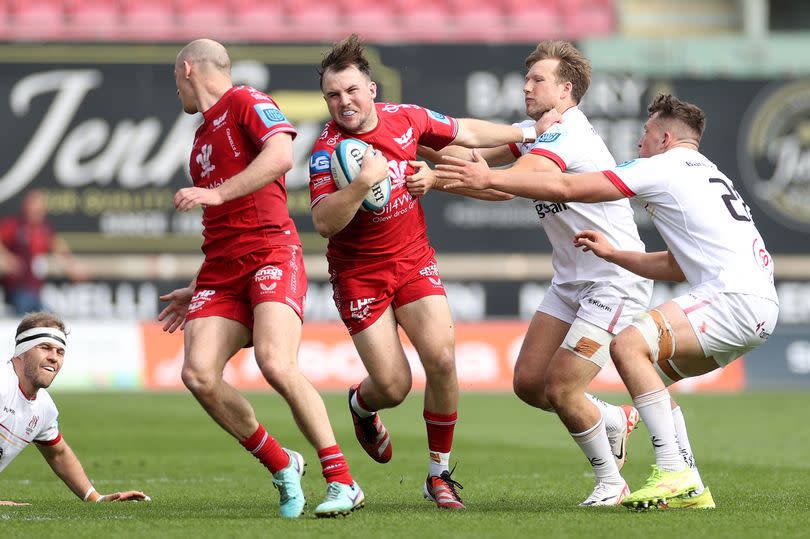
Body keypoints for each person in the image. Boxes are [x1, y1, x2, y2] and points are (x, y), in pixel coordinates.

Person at [437, 94, 780, 510]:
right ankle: (692, 488)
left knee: (627, 346)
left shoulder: (661, 167)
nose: (640, 141)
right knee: (649, 379)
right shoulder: (709, 174)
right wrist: (617, 254)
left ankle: (675, 473)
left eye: (646, 133)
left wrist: (489, 178)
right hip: (758, 305)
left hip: (732, 298)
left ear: (665, 137)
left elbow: (566, 186)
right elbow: (677, 264)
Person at [308, 34, 547, 510]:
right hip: (360, 276)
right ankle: (362, 404)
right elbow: (322, 223)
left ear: (371, 90)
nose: (344, 102)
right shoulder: (326, 150)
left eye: (352, 91)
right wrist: (360, 185)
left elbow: (464, 131)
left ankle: (439, 474)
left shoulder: (406, 119)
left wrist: (525, 131)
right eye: (333, 95)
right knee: (393, 387)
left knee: (441, 358)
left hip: (412, 259)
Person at [414, 40, 654, 507]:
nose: (526, 86)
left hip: (613, 277)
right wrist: (401, 139)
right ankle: (611, 419)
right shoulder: (535, 132)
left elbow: (507, 178)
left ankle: (611, 482)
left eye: (537, 80)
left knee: (562, 387)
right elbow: (468, 152)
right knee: (528, 383)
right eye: (526, 79)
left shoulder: (570, 135)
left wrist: (441, 177)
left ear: (566, 90)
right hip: (570, 282)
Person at [158, 38, 363, 519]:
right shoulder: (201, 136)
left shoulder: (248, 100)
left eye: (176, 81)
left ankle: (342, 480)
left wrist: (215, 194)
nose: (178, 91)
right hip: (220, 270)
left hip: (272, 252)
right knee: (198, 375)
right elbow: (222, 221)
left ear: (188, 69)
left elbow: (279, 157)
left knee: (275, 362)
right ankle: (281, 461)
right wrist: (199, 283)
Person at [0, 311, 149, 506]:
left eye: (60, 352)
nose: (54, 358)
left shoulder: (44, 408)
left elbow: (58, 454)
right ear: (22, 350)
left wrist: (96, 499)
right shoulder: (3, 384)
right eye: (45, 348)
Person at [0, 189, 88, 315]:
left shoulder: (44, 230)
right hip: (17, 290)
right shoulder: (14, 226)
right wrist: (6, 257)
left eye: (40, 209)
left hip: (35, 292)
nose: (38, 213)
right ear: (26, 207)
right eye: (35, 208)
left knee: (49, 320)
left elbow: (59, 248)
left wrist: (73, 266)